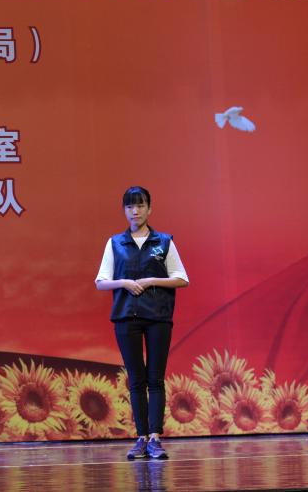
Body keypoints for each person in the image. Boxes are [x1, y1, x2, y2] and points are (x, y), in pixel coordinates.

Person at [94, 186, 189, 460]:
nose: (135, 211)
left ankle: (155, 438)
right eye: (130, 206)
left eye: (140, 206)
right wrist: (124, 282)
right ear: (124, 210)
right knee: (136, 380)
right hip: (127, 317)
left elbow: (182, 278)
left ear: (149, 209)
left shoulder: (164, 242)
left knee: (155, 379)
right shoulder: (115, 243)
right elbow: (101, 282)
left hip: (158, 317)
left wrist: (150, 281)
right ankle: (141, 437)